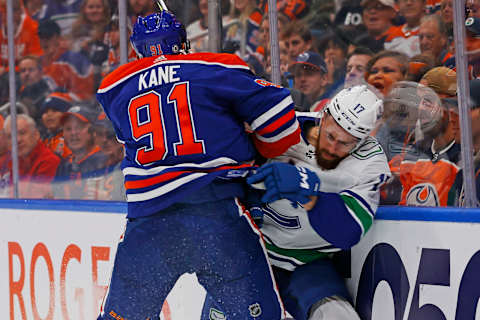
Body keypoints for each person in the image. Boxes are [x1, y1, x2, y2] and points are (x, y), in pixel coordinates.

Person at [95, 10, 301, 319]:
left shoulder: (113, 88)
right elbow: (283, 125)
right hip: (216, 217)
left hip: (149, 225)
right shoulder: (215, 66)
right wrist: (256, 150)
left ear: (137, 47)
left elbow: (135, 141)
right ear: (182, 42)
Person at [243, 85, 390, 320]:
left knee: (337, 316)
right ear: (325, 115)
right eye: (330, 135)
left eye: (345, 143)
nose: (332, 148)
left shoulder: (370, 163)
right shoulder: (285, 126)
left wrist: (309, 195)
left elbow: (348, 231)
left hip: (307, 261)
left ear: (363, 140)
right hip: (250, 254)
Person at [52, 104, 107, 199]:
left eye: (79, 127)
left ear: (93, 131)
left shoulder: (105, 160)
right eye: (68, 129)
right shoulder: (64, 165)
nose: (73, 133)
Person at [1, 113, 60, 198]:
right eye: (11, 136)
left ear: (36, 135)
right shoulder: (13, 160)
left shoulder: (49, 160)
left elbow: (32, 201)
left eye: (22, 133)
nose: (17, 140)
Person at [37, 19, 95, 101]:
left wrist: (58, 98)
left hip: (72, 106)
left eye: (48, 37)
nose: (44, 41)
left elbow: (85, 94)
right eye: (41, 37)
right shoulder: (39, 61)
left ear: (58, 38)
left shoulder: (73, 59)